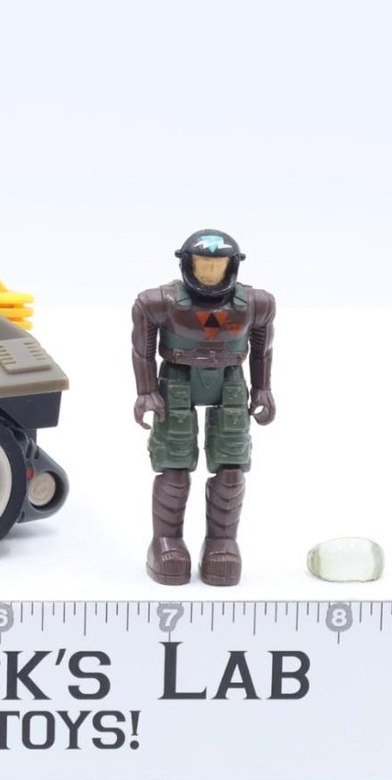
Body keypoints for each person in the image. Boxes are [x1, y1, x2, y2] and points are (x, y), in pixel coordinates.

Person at [131, 229, 275, 585]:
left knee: (231, 469)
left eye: (217, 266)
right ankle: (166, 542)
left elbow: (263, 349)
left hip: (230, 378)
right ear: (186, 264)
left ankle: (222, 543)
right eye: (203, 265)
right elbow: (141, 349)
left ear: (232, 266)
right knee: (174, 467)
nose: (210, 273)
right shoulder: (157, 302)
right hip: (177, 378)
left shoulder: (257, 303)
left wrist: (262, 388)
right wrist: (146, 390)